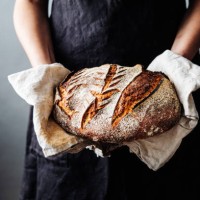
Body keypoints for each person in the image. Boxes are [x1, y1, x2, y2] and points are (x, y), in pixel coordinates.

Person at [13, 0, 200, 199]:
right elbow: (30, 2)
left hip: (165, 90)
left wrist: (176, 63)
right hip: (69, 99)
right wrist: (48, 73)